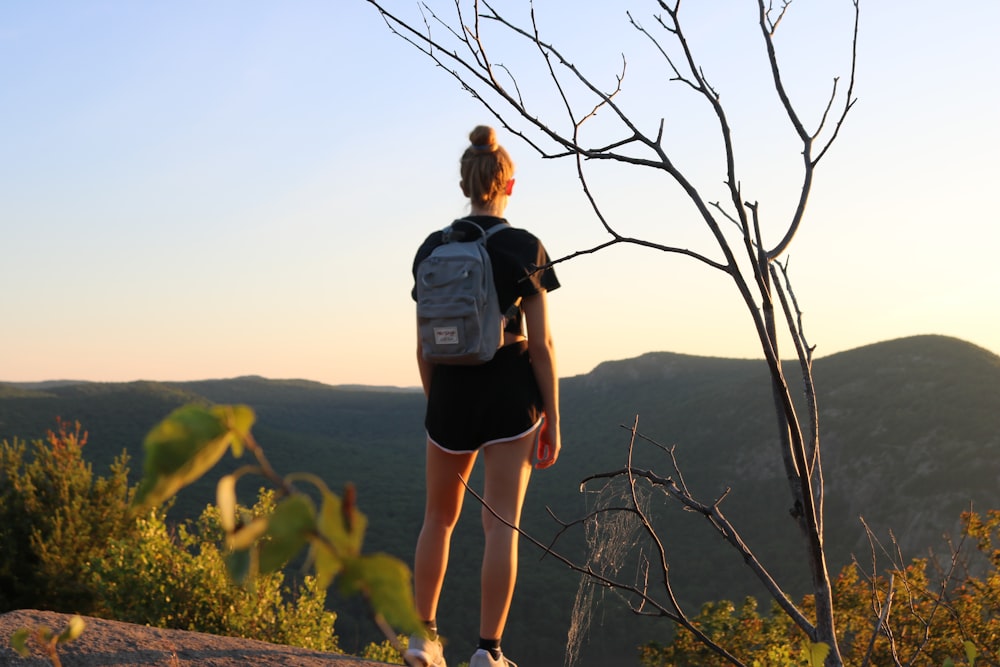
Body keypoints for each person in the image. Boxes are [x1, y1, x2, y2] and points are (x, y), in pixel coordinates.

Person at [406, 125, 562, 667]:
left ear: (464, 183)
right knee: (500, 526)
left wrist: (437, 402)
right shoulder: (525, 247)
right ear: (509, 186)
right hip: (508, 394)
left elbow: (424, 343)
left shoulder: (432, 248)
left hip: (448, 391)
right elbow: (540, 345)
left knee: (437, 520)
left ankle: (422, 639)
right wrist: (552, 421)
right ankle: (487, 651)